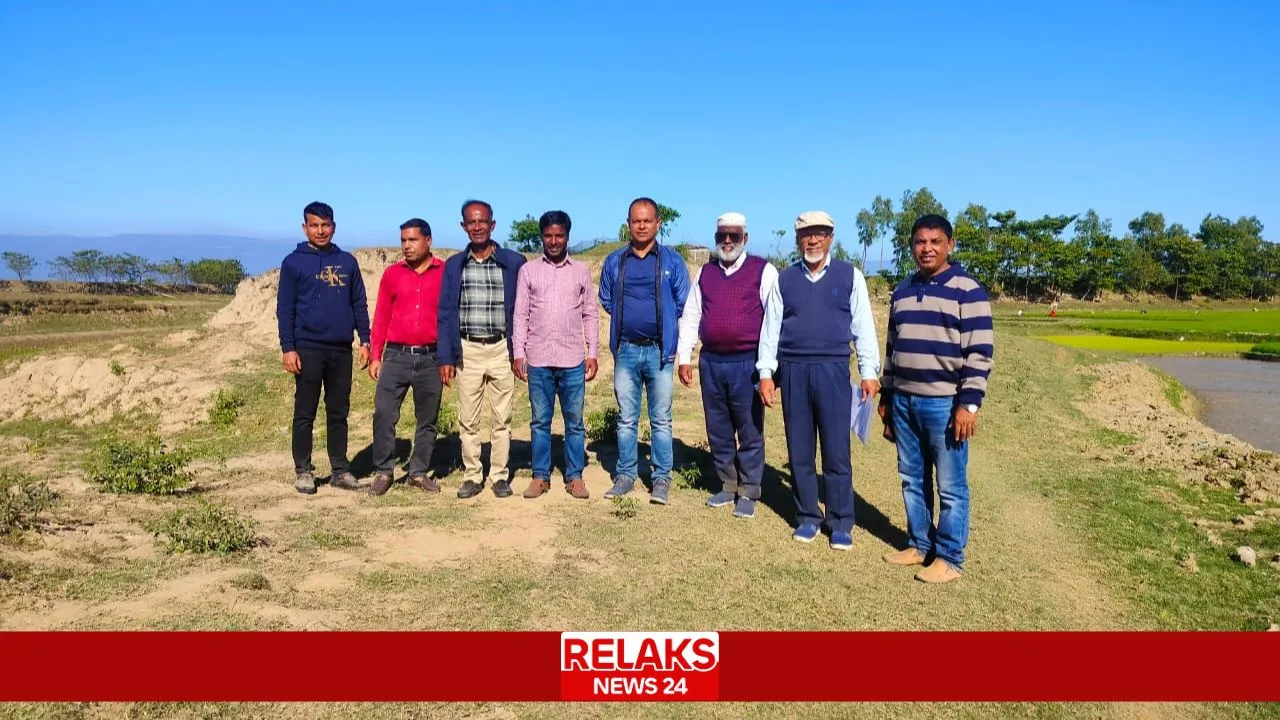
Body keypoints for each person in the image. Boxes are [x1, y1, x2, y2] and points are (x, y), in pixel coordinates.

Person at [878, 213, 994, 584]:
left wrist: (969, 404)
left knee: (950, 485)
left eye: (935, 242)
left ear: (950, 244)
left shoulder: (968, 290)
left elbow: (980, 352)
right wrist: (887, 395)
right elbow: (892, 348)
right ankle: (919, 543)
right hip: (904, 403)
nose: (926, 248)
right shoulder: (902, 290)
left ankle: (949, 556)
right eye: (919, 242)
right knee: (911, 478)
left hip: (945, 404)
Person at [759, 211, 879, 549]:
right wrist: (766, 373)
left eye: (820, 234)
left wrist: (869, 373)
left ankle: (840, 522)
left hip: (834, 370)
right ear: (798, 240)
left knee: (836, 451)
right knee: (799, 449)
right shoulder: (784, 280)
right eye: (806, 234)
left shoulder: (850, 276)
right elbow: (771, 331)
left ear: (830, 237)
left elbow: (864, 329)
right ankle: (808, 517)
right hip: (794, 370)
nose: (813, 240)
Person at [676, 212, 780, 519]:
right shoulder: (705, 273)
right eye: (722, 235)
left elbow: (774, 322)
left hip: (747, 363)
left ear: (745, 238)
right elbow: (692, 314)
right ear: (716, 238)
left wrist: (768, 370)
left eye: (734, 235)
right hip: (711, 362)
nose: (728, 241)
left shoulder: (763, 270)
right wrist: (685, 357)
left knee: (748, 428)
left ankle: (749, 490)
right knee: (718, 427)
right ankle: (727, 483)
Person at [598, 197, 691, 505]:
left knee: (661, 419)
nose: (641, 225)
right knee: (626, 418)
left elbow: (682, 304)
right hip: (626, 350)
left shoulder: (672, 262)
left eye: (647, 220)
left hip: (659, 352)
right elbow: (607, 299)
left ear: (657, 223)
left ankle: (661, 478)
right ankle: (625, 475)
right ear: (628, 224)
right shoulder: (614, 261)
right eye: (636, 220)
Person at [275, 201, 371, 495]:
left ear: (334, 226)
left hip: (340, 349)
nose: (320, 231)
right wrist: (288, 348)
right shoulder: (293, 263)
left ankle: (340, 470)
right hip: (307, 348)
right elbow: (285, 309)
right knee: (305, 412)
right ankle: (303, 470)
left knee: (338, 411)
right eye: (314, 225)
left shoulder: (347, 262)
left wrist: (365, 340)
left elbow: (359, 303)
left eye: (325, 225)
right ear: (305, 228)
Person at [437, 199, 527, 499]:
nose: (477, 227)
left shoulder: (514, 262)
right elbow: (446, 312)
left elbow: (523, 308)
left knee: (502, 417)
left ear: (492, 225)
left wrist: (520, 352)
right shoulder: (454, 265)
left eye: (482, 222)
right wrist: (446, 356)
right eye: (471, 223)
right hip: (468, 350)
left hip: (501, 347)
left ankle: (499, 476)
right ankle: (473, 475)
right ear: (463, 227)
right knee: (469, 419)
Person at [512, 210, 599, 499]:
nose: (553, 241)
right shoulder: (529, 271)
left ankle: (574, 477)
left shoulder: (581, 271)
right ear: (542, 237)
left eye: (559, 235)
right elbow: (520, 314)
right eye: (548, 235)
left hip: (573, 359)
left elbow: (590, 314)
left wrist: (593, 353)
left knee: (574, 422)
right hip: (538, 359)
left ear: (567, 236)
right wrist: (518, 353)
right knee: (540, 422)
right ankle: (540, 476)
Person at [367, 218, 447, 496]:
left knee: (428, 418)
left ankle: (418, 472)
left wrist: (449, 357)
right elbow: (381, 318)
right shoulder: (392, 274)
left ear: (428, 240)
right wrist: (376, 355)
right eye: (403, 240)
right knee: (384, 414)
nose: (406, 246)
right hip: (396, 356)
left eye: (412, 240)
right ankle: (384, 472)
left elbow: (450, 317)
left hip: (431, 357)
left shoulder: (444, 273)